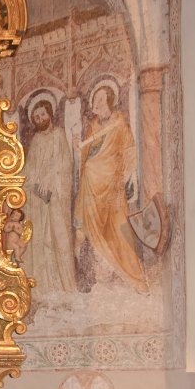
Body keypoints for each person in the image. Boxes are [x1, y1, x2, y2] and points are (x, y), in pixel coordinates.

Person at [75, 83, 147, 292]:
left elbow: (129, 150)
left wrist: (129, 176)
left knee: (118, 228)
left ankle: (132, 276)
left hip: (112, 186)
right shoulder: (93, 127)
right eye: (94, 100)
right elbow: (86, 156)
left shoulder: (119, 124)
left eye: (100, 100)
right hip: (91, 189)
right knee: (92, 231)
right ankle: (99, 276)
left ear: (109, 101)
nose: (95, 104)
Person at [23, 96, 75, 291]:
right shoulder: (36, 140)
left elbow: (65, 163)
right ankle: (44, 286)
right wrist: (33, 183)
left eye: (42, 114)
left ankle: (63, 287)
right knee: (41, 239)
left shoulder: (59, 135)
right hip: (39, 197)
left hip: (55, 197)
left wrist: (50, 180)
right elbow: (30, 168)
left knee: (57, 239)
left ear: (49, 114)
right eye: (36, 117)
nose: (40, 118)